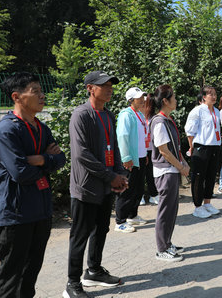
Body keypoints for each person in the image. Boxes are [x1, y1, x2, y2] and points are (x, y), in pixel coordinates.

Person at [0, 72, 66, 298]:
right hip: (16, 214)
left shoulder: (41, 128)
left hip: (40, 211)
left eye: (41, 91)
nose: (42, 95)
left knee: (30, 272)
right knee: (11, 276)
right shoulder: (7, 130)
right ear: (17, 97)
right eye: (35, 91)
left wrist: (40, 158)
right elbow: (20, 172)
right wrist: (46, 160)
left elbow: (60, 159)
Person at [64, 71, 129, 298]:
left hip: (106, 184)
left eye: (111, 84)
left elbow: (115, 148)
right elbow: (82, 154)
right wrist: (110, 176)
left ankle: (93, 270)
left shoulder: (108, 115)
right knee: (80, 235)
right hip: (86, 186)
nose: (110, 88)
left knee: (101, 228)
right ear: (90, 88)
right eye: (104, 85)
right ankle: (72, 283)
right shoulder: (81, 115)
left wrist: (119, 173)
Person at [147, 85, 190, 262]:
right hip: (165, 171)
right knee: (165, 211)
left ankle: (167, 242)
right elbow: (163, 150)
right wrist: (181, 167)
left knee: (172, 209)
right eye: (174, 97)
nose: (176, 100)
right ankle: (161, 249)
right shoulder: (159, 122)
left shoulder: (167, 120)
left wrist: (183, 163)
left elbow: (174, 146)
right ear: (165, 101)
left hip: (172, 169)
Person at [114, 87, 149, 233]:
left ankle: (132, 215)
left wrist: (145, 154)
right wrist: (126, 157)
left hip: (140, 157)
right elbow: (122, 136)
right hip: (130, 160)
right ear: (130, 100)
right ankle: (120, 221)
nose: (142, 99)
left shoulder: (139, 114)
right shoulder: (126, 115)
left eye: (142, 96)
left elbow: (142, 137)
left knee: (138, 188)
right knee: (127, 190)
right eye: (138, 97)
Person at [185, 86, 222, 218]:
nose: (213, 96)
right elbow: (190, 131)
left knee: (211, 176)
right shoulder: (198, 111)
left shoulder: (217, 111)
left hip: (215, 146)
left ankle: (207, 203)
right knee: (198, 178)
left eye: (215, 94)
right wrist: (192, 146)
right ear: (204, 97)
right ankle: (197, 206)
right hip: (201, 147)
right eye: (210, 94)